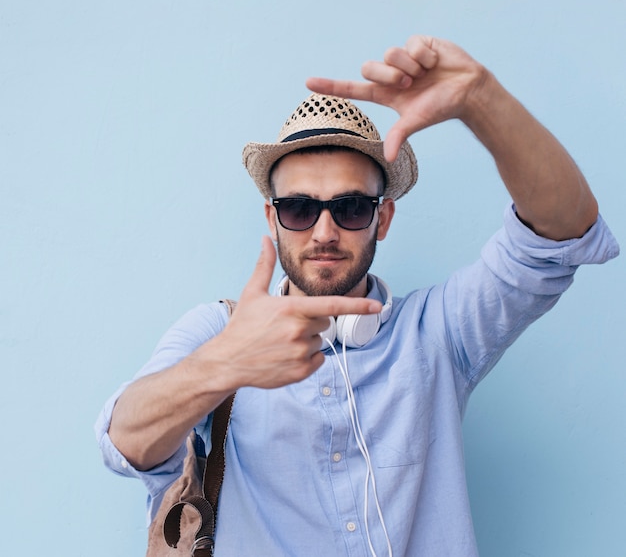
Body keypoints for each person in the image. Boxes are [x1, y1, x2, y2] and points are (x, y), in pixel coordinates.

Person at [96, 35, 619, 556]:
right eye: (299, 209)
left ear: (382, 219)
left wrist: (481, 98)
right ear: (271, 219)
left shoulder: (438, 334)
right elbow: (126, 444)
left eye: (349, 208)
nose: (324, 232)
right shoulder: (216, 334)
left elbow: (560, 234)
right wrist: (224, 365)